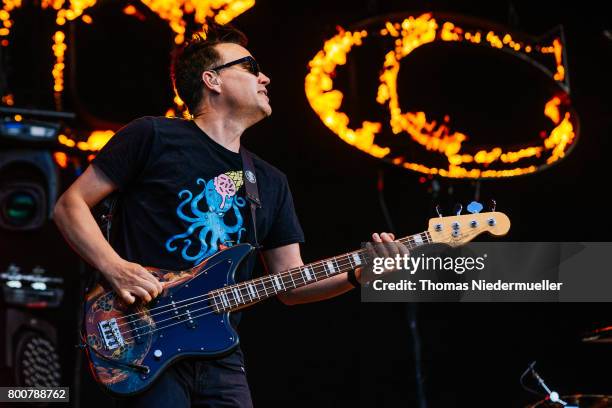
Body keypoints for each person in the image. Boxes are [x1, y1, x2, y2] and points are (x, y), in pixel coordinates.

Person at [53, 21, 404, 408]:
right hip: (141, 335)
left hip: (220, 355)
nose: (266, 78)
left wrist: (359, 275)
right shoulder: (152, 136)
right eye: (251, 68)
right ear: (212, 80)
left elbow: (291, 284)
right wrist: (115, 267)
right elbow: (70, 205)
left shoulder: (269, 182)